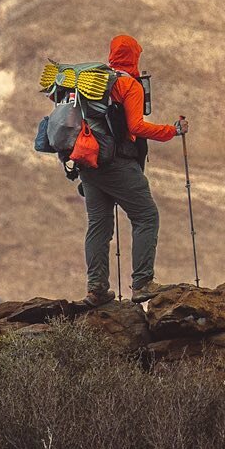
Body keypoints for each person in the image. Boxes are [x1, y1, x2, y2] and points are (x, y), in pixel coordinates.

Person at [72, 34, 188, 307]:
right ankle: (142, 283)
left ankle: (96, 290)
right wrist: (172, 130)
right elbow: (135, 127)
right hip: (118, 164)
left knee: (99, 227)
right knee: (146, 216)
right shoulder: (128, 86)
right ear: (135, 56)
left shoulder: (92, 83)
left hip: (88, 164)